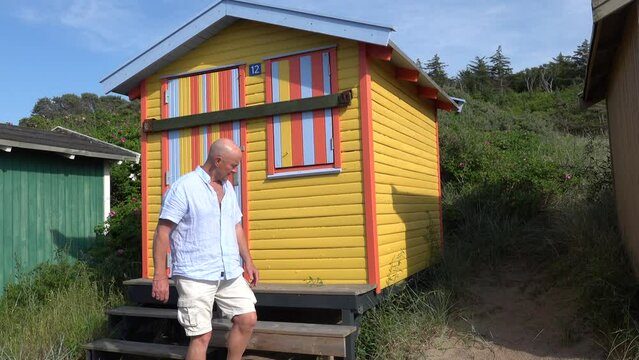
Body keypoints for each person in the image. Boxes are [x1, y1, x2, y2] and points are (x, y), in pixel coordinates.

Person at [151, 138, 258, 360]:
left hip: (228, 270)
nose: (235, 170)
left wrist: (247, 259)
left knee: (247, 318)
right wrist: (160, 276)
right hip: (195, 273)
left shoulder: (228, 188)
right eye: (233, 165)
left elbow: (235, 225)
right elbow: (162, 232)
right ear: (218, 160)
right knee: (201, 335)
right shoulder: (184, 188)